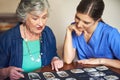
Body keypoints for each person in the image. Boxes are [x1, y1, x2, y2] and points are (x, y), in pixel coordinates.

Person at [0, 0, 63, 79]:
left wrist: (55, 59)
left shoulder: (48, 33)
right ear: (24, 17)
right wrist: (7, 72)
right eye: (35, 18)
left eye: (44, 17)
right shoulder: (8, 38)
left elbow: (54, 54)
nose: (41, 23)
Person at [63, 0, 120, 69]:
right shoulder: (74, 28)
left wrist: (100, 61)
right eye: (77, 18)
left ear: (98, 20)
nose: (79, 25)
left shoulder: (111, 33)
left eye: (86, 22)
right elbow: (67, 60)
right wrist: (68, 31)